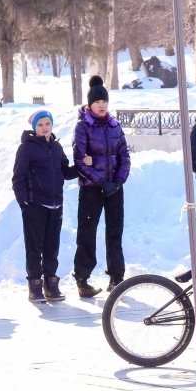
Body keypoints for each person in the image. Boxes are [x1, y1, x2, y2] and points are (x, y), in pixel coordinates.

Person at [72, 75, 130, 297]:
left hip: (114, 188)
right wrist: (101, 181)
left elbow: (124, 155)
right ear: (90, 104)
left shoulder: (115, 125)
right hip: (91, 188)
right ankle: (82, 279)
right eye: (97, 102)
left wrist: (117, 181)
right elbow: (80, 159)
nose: (102, 105)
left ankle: (117, 278)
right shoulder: (83, 126)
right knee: (87, 232)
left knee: (115, 233)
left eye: (104, 101)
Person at [12, 110, 79, 303]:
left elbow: (65, 172)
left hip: (56, 205)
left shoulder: (56, 147)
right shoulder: (26, 148)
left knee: (52, 247)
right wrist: (24, 202)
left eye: (47, 123)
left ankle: (51, 284)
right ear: (34, 128)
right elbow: (18, 177)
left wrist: (82, 166)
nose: (44, 128)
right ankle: (34, 286)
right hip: (35, 205)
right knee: (34, 248)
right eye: (40, 125)